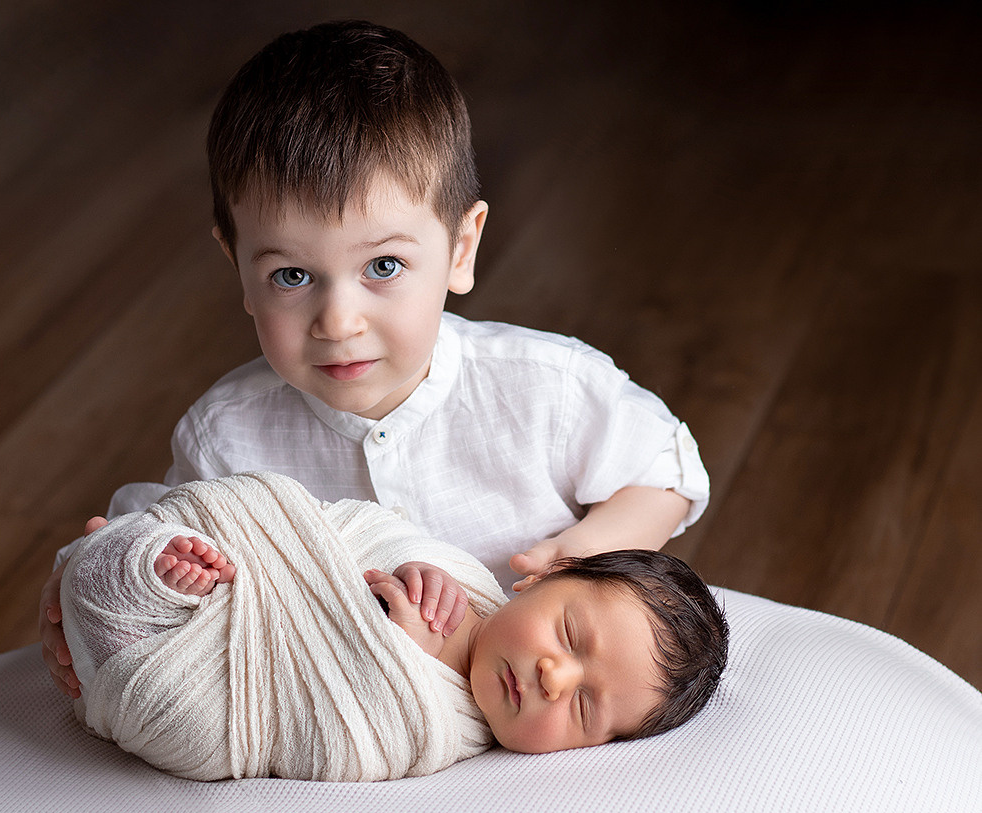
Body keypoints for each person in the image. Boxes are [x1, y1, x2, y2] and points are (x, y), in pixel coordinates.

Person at [41, 19, 711, 700]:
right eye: (291, 276)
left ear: (460, 247)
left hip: (528, 703)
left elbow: (667, 473)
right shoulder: (226, 438)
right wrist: (94, 579)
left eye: (383, 265)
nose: (337, 321)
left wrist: (578, 555)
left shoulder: (543, 390)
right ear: (238, 267)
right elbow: (159, 543)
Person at [61, 473, 727, 780]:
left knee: (200, 733)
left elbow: (346, 740)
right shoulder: (458, 571)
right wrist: (406, 568)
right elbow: (355, 530)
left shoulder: (444, 730)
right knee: (199, 533)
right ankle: (147, 568)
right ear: (538, 580)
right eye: (569, 635)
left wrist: (386, 649)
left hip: (200, 685)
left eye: (584, 705)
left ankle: (128, 596)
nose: (554, 676)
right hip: (240, 588)